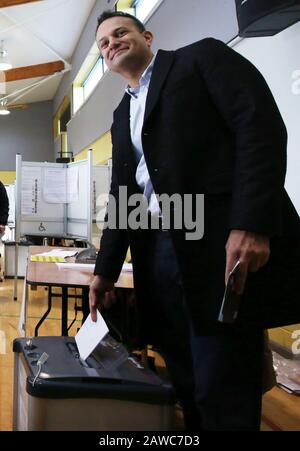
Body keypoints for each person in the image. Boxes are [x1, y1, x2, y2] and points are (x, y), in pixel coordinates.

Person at [89, 11, 300, 431]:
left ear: (146, 35)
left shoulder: (199, 60)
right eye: (103, 44)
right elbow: (124, 196)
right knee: (182, 372)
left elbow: (258, 127)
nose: (111, 43)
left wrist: (251, 223)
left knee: (222, 379)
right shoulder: (119, 114)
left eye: (120, 33)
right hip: (159, 255)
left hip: (218, 245)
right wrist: (105, 271)